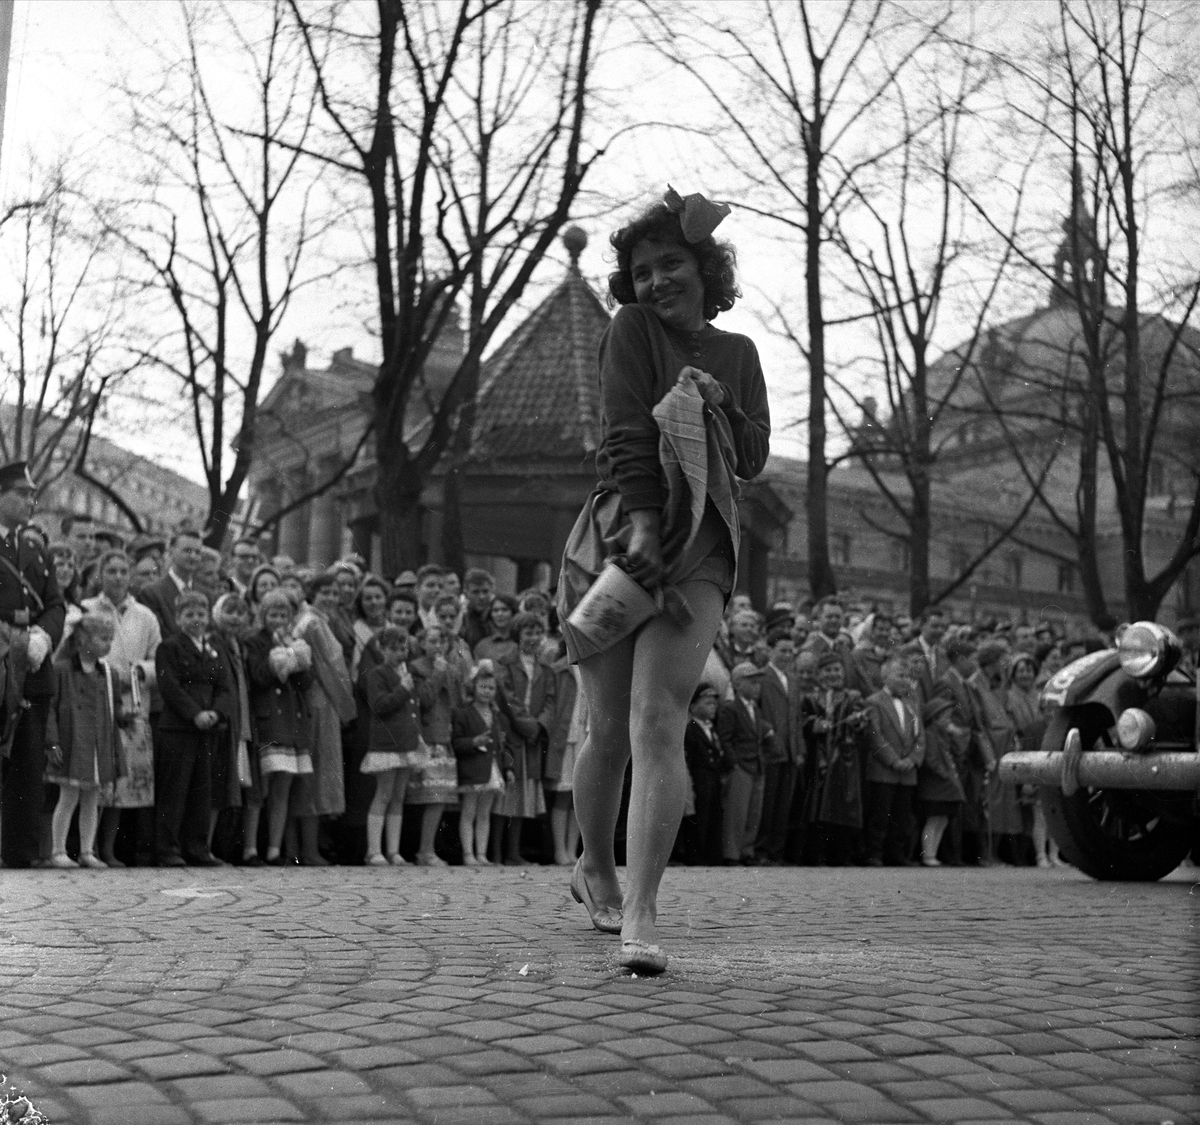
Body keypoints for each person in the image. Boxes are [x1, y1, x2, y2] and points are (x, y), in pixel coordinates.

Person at [556, 188, 769, 973]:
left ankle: (642, 907)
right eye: (641, 271)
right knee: (606, 725)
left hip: (705, 542)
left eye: (670, 264)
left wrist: (720, 404)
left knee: (659, 718)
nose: (655, 282)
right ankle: (597, 868)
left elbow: (750, 458)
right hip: (621, 534)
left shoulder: (739, 354)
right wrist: (641, 524)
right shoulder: (633, 330)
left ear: (705, 268)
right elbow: (620, 432)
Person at [0, 461, 66, 869]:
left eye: (32, 494)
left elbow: (55, 603)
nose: (31, 501)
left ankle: (20, 856)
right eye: (22, 494)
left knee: (27, 766)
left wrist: (44, 635)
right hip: (1, 666)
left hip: (33, 669)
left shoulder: (33, 548)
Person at [85, 550, 161, 868]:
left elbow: (160, 659)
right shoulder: (87, 610)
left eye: (123, 571)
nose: (117, 577)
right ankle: (85, 847)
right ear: (100, 574)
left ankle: (109, 848)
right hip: (96, 700)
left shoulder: (145, 616)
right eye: (111, 570)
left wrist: (142, 671)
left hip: (132, 703)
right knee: (95, 779)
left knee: (123, 782)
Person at [153, 590, 230, 867]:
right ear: (178, 617)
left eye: (201, 614)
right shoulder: (169, 647)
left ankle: (198, 847)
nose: (196, 620)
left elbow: (223, 686)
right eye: (189, 614)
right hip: (178, 728)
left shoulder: (212, 649)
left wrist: (215, 713)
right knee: (175, 789)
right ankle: (168, 849)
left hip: (206, 727)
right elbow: (169, 687)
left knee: (202, 790)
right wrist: (194, 713)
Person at [45, 613, 124, 868]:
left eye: (110, 639)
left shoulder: (109, 673)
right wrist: (52, 741)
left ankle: (87, 851)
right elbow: (50, 709)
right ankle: (58, 850)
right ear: (82, 640)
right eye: (102, 639)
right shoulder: (62, 670)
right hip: (72, 742)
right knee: (68, 796)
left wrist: (125, 717)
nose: (108, 644)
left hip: (97, 745)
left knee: (92, 798)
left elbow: (115, 709)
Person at [244, 589, 313, 865]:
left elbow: (306, 683)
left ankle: (274, 849)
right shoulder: (254, 642)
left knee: (283, 788)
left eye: (283, 614)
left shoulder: (296, 641)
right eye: (273, 614)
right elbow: (258, 677)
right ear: (263, 616)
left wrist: (296, 659)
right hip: (268, 720)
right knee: (260, 789)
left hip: (291, 722)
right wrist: (278, 658)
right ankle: (250, 848)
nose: (278, 619)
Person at [291, 574, 356, 864]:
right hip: (319, 699)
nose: (331, 597)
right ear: (312, 593)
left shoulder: (321, 620)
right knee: (314, 774)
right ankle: (306, 850)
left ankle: (306, 847)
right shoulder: (312, 623)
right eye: (324, 592)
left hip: (326, 700)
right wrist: (345, 707)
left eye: (334, 592)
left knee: (317, 773)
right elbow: (324, 668)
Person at [360, 625, 424, 866]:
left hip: (406, 742)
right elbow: (379, 704)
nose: (401, 653)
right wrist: (403, 689)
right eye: (394, 649)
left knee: (398, 796)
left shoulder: (407, 672)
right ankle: (374, 850)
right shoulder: (377, 674)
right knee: (384, 793)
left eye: (404, 648)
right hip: (387, 744)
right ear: (382, 650)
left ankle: (393, 850)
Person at [494, 613, 554, 865]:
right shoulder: (505, 663)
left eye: (537, 633)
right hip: (511, 733)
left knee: (523, 793)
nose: (533, 638)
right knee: (506, 793)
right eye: (528, 633)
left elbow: (551, 700)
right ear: (518, 635)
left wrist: (539, 725)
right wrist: (527, 725)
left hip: (532, 738)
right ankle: (496, 852)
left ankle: (514, 852)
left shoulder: (545, 669)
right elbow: (507, 696)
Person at [800, 653, 869, 866]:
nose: (833, 675)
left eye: (837, 670)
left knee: (842, 805)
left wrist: (858, 721)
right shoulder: (811, 697)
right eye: (828, 670)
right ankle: (817, 854)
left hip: (843, 760)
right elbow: (801, 719)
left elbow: (862, 722)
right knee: (817, 805)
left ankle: (841, 855)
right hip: (817, 759)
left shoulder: (853, 697)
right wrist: (813, 724)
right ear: (819, 674)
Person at [209, 593, 261, 866]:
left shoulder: (240, 645)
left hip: (243, 724)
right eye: (229, 611)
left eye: (241, 612)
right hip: (226, 723)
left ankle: (229, 847)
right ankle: (206, 846)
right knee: (219, 789)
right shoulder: (215, 642)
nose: (235, 617)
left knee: (238, 790)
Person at [408, 625, 462, 866]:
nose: (437, 646)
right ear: (422, 643)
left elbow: (456, 701)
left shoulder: (450, 668)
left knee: (438, 797)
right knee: (424, 796)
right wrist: (439, 673)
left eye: (441, 641)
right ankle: (422, 850)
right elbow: (425, 700)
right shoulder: (416, 667)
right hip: (426, 737)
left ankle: (427, 849)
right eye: (431, 641)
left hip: (443, 737)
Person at [863, 655, 924, 867]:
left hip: (907, 772)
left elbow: (920, 737)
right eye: (900, 675)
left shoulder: (912, 704)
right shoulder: (874, 702)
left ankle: (896, 854)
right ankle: (874, 853)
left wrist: (913, 759)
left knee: (902, 815)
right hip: (884, 770)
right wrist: (893, 760)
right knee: (880, 814)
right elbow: (875, 735)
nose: (905, 680)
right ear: (885, 676)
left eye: (908, 676)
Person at [452, 660, 513, 866]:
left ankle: (481, 854)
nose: (487, 692)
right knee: (469, 810)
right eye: (483, 687)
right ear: (473, 687)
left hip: (492, 769)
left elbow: (504, 745)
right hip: (472, 769)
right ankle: (468, 854)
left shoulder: (497, 716)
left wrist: (508, 767)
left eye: (491, 688)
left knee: (485, 812)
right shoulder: (463, 713)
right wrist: (473, 742)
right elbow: (456, 742)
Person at [755, 629, 803, 864]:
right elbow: (757, 711)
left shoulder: (793, 681)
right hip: (772, 749)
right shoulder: (762, 677)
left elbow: (796, 719)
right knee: (768, 803)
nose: (787, 655)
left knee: (783, 805)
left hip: (791, 751)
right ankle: (762, 850)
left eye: (790, 651)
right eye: (782, 650)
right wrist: (768, 732)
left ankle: (777, 851)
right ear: (770, 650)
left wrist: (800, 749)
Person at [680, 682, 723, 864]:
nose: (712, 708)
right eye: (707, 703)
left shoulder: (712, 728)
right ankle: (695, 855)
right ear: (693, 706)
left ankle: (710, 854)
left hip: (712, 778)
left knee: (713, 815)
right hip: (699, 777)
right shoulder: (691, 729)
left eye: (714, 704)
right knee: (700, 817)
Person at [138, 528, 205, 639]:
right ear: (171, 552)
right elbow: (160, 635)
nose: (193, 556)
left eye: (197, 552)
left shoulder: (205, 593)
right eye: (187, 551)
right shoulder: (152, 593)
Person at [473, 594, 519, 664]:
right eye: (495, 610)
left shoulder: (522, 642)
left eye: (504, 610)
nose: (500, 614)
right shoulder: (482, 646)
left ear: (513, 612)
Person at [460, 569, 496, 653]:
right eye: (475, 592)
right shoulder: (460, 621)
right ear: (466, 593)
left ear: (492, 591)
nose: (481, 597)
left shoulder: (499, 618)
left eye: (485, 591)